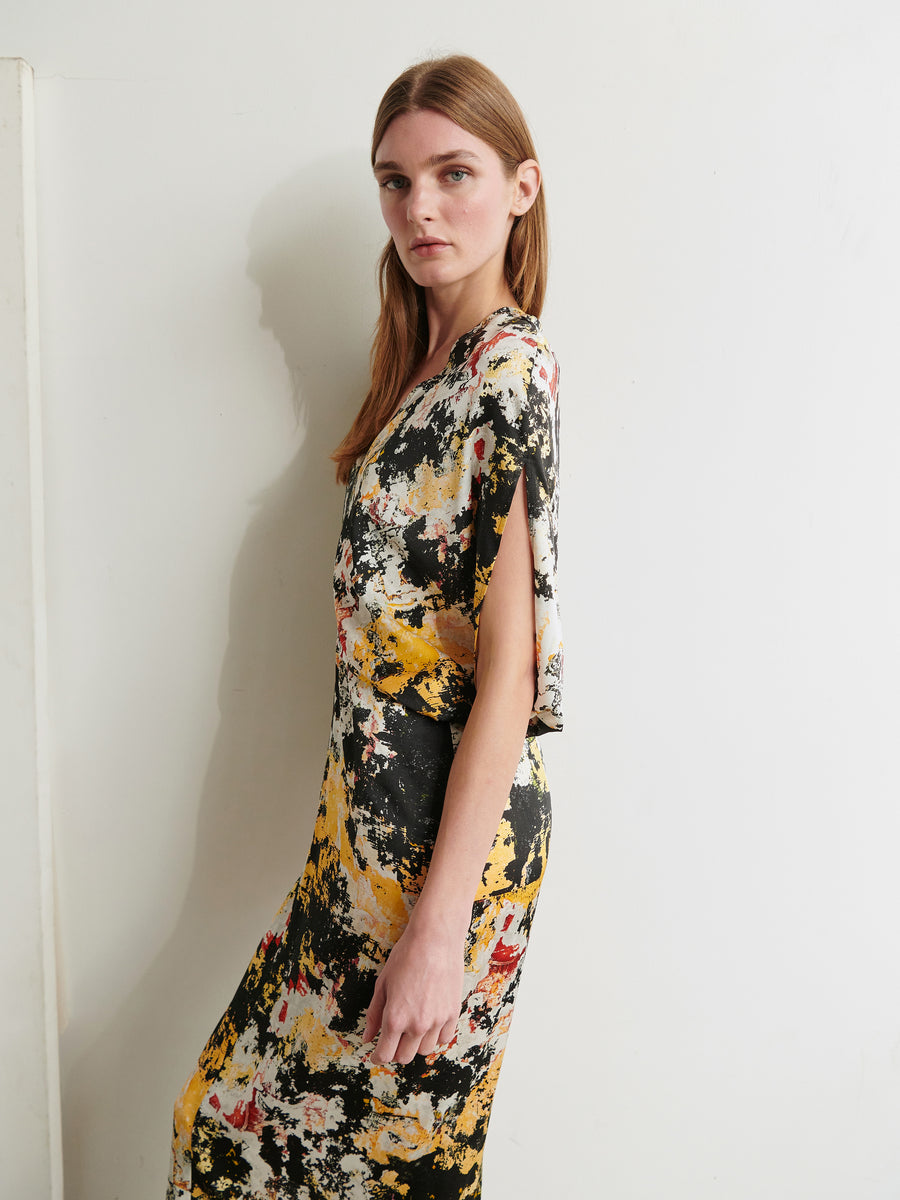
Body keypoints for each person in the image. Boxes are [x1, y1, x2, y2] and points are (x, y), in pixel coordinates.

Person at [167, 53, 563, 1199]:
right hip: (355, 849)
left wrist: (439, 930)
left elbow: (511, 673)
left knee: (393, 1167)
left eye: (454, 173)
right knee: (224, 1130)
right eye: (395, 182)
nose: (420, 209)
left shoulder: (510, 368)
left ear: (521, 189)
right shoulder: (416, 373)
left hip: (447, 858)